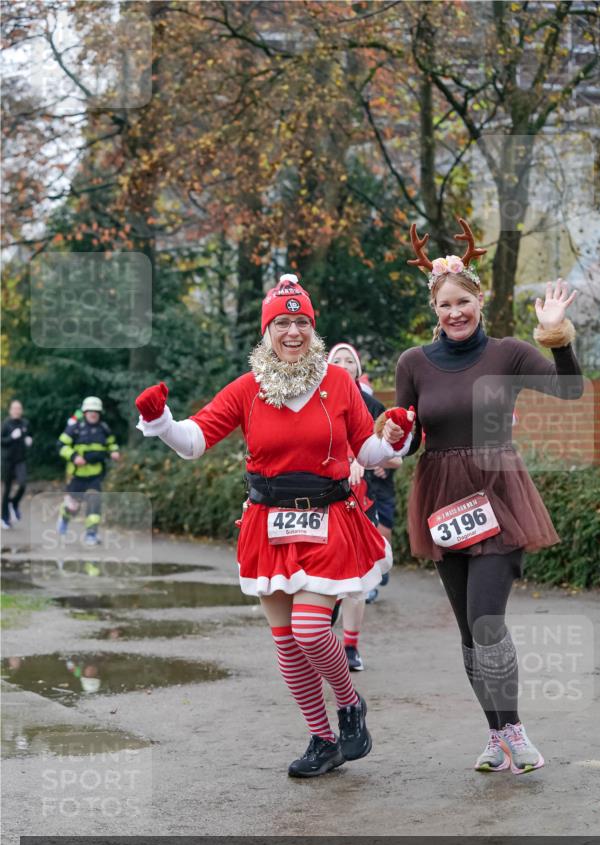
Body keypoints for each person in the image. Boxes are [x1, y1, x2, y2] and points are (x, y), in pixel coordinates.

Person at [135, 274, 413, 778]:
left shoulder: (337, 382)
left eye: (301, 322)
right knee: (286, 642)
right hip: (268, 523)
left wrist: (393, 437)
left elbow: (366, 450)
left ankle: (349, 705)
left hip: (329, 518)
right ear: (267, 331)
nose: (292, 331)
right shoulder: (248, 387)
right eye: (282, 322)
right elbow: (196, 439)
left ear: (313, 328)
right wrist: (161, 421)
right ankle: (322, 739)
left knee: (310, 629)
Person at [395, 219, 584, 775]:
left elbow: (570, 389)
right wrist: (389, 437)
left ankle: (515, 730)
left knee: (487, 622)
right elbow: (408, 439)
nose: (454, 312)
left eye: (463, 301)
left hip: (497, 495)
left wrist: (559, 335)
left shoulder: (508, 352)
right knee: (466, 630)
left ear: (480, 300)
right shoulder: (414, 363)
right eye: (444, 305)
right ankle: (495, 735)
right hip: (441, 502)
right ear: (435, 309)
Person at [327, 342, 402, 667]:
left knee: (356, 579)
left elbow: (395, 453)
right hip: (323, 501)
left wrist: (368, 461)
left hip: (363, 498)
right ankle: (321, 641)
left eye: (349, 360)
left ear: (358, 368)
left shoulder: (372, 405)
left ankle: (351, 648)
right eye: (337, 359)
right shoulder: (316, 399)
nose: (344, 364)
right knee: (324, 580)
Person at [56, 396, 120, 545]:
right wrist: (73, 456)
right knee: (73, 507)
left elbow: (112, 444)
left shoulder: (104, 428)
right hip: (76, 475)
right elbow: (60, 445)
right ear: (84, 412)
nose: (93, 414)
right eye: (90, 411)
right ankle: (64, 516)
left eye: (96, 411)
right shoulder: (75, 428)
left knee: (94, 501)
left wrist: (114, 452)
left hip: (95, 476)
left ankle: (91, 534)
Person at [1, 400, 32, 529]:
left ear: (21, 410)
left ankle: (13, 503)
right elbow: (1, 441)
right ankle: (4, 518)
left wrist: (29, 440)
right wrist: (11, 437)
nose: (17, 411)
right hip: (7, 461)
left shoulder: (25, 423)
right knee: (7, 489)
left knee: (23, 485)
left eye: (19, 408)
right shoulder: (6, 424)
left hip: (20, 460)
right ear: (10, 410)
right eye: (14, 408)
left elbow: (29, 435)